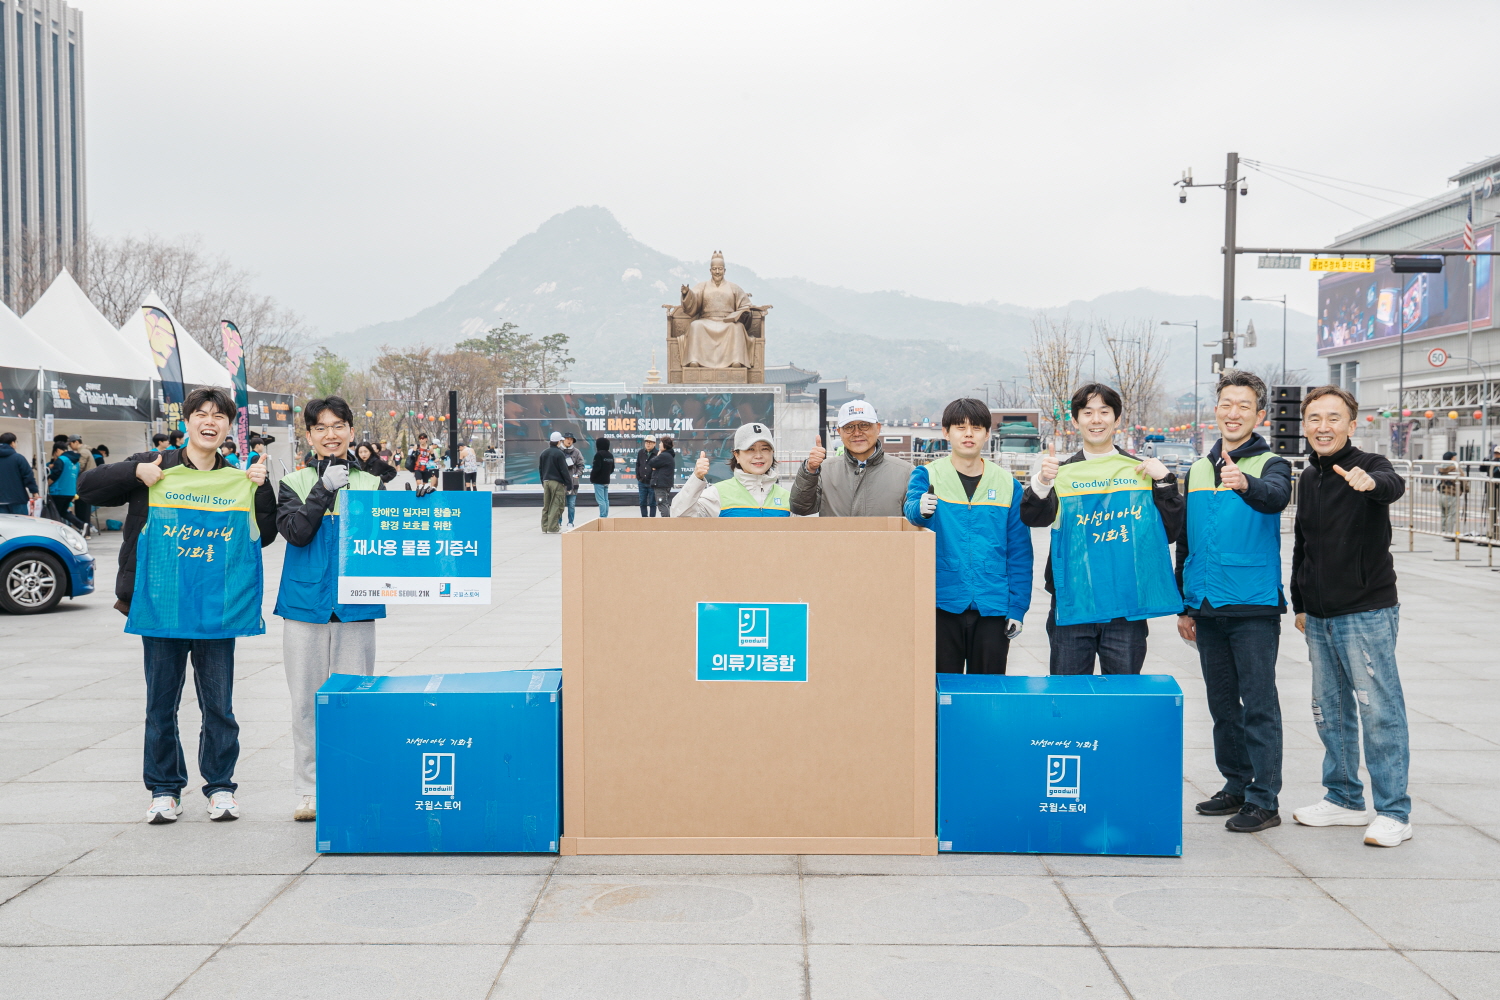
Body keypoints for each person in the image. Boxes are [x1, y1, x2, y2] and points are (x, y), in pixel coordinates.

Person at [77, 387, 276, 824]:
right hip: (161, 603)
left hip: (216, 607)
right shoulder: (155, 466)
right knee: (160, 705)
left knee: (218, 705)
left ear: (228, 427)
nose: (210, 421)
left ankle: (220, 787)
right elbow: (87, 488)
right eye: (201, 413)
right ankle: (165, 789)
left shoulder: (237, 477)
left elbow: (263, 535)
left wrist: (260, 490)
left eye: (219, 416)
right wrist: (136, 473)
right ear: (186, 422)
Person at [1290, 385, 1412, 848]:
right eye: (1314, 418)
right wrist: (1300, 602)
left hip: (1366, 611)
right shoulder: (1308, 477)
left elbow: (1391, 485)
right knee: (1330, 711)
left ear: (1351, 424)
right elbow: (1303, 544)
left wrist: (1370, 483)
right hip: (1319, 616)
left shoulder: (1371, 464)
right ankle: (1343, 797)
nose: (1323, 427)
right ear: (1304, 425)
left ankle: (1394, 812)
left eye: (1333, 418)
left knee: (1379, 711)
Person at [1175, 370, 1292, 834]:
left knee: (1259, 704)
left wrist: (1245, 483)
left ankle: (1265, 799)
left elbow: (1276, 499)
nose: (1233, 412)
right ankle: (1236, 785)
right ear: (1216, 410)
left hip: (1252, 605)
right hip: (1206, 604)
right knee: (1223, 705)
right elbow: (1187, 539)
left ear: (1259, 414)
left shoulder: (1272, 464)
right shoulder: (1198, 469)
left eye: (1244, 405)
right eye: (1226, 403)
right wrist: (1185, 603)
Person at [275, 397, 403, 822]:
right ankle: (309, 790)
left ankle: (352, 783)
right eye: (321, 427)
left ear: (351, 431)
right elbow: (295, 533)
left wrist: (424, 504)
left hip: (355, 606)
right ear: (309, 435)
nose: (330, 434)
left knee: (355, 700)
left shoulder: (371, 483)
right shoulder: (293, 482)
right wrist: (323, 488)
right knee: (305, 703)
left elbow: (391, 539)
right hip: (304, 605)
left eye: (338, 426)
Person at [1021, 382, 1183, 674]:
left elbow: (1169, 533)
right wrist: (1043, 482)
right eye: (1087, 412)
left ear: (1117, 419)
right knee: (1070, 695)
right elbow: (1033, 518)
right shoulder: (1062, 473)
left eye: (1104, 412)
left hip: (1126, 603)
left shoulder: (1140, 471)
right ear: (1075, 421)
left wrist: (1165, 483)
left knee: (1122, 695)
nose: (1096, 419)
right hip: (1074, 600)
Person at [904, 398, 1032, 674]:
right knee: (941, 687)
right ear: (946, 432)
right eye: (960, 427)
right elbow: (911, 508)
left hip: (993, 605)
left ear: (987, 433)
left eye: (976, 427)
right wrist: (920, 509)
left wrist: (1018, 608)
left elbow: (1020, 552)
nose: (968, 434)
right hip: (941, 601)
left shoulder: (1008, 484)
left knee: (987, 690)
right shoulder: (927, 475)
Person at [791, 399, 913, 517]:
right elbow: (800, 508)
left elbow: (917, 517)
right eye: (849, 427)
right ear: (839, 432)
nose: (857, 433)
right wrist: (810, 470)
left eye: (864, 425)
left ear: (878, 428)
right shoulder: (824, 471)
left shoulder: (906, 473)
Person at [674, 423, 791, 516]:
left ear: (772, 453)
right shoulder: (717, 494)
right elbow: (680, 517)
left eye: (765, 449)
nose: (758, 455)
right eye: (750, 449)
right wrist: (696, 478)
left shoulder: (787, 497)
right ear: (737, 455)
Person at [46, 441, 88, 531]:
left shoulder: (61, 460)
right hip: (71, 491)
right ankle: (82, 525)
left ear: (57, 450)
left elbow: (55, 475)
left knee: (55, 513)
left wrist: (47, 484)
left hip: (58, 491)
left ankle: (56, 531)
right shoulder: (75, 462)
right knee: (63, 512)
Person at [0, 431, 39, 514]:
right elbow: (28, 476)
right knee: (21, 521)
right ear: (12, 443)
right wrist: (34, 491)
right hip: (17, 498)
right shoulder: (18, 458)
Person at [539, 431, 570, 533]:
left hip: (546, 481)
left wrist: (543, 481)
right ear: (558, 442)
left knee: (546, 505)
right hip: (556, 482)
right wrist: (569, 484)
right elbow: (564, 470)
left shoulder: (544, 453)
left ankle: (545, 527)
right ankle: (553, 527)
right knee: (557, 504)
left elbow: (541, 469)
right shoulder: (559, 454)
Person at [67, 437, 97, 535]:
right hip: (87, 483)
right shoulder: (85, 451)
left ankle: (84, 530)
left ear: (76, 442)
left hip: (84, 484)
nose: (70, 446)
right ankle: (85, 531)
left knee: (82, 509)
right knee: (84, 508)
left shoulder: (83, 452)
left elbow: (79, 467)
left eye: (70, 444)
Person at [1436, 451, 1464, 537]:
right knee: (1451, 514)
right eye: (1454, 457)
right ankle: (1448, 533)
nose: (1455, 458)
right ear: (1451, 458)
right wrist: (1465, 489)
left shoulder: (1440, 468)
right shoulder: (1455, 467)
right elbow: (1463, 480)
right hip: (1451, 493)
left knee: (1443, 514)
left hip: (1442, 493)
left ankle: (1444, 531)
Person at [561, 434, 585, 527]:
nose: (569, 441)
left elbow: (581, 465)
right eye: (567, 439)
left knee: (571, 504)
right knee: (560, 505)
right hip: (561, 483)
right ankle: (558, 523)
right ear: (563, 440)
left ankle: (570, 522)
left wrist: (577, 474)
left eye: (571, 439)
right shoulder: (559, 451)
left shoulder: (576, 452)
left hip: (573, 483)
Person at [651, 436, 678, 516]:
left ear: (665, 444)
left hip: (661, 484)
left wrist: (658, 455)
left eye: (661, 443)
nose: (659, 445)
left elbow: (652, 463)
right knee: (664, 503)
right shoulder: (668, 455)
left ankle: (666, 522)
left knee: (662, 504)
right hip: (665, 484)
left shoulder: (664, 455)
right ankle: (667, 521)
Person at [590, 437, 615, 517]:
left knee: (600, 500)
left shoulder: (598, 454)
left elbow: (596, 468)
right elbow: (612, 468)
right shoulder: (610, 455)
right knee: (606, 500)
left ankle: (603, 516)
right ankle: (605, 515)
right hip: (606, 480)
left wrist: (592, 477)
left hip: (598, 481)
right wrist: (606, 474)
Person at [636, 435, 658, 516]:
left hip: (652, 483)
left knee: (652, 503)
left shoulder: (657, 453)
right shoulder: (641, 452)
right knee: (642, 502)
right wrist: (638, 477)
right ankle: (644, 519)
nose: (648, 444)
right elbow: (638, 465)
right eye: (646, 442)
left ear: (654, 443)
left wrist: (655, 478)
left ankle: (652, 521)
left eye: (650, 442)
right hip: (642, 482)